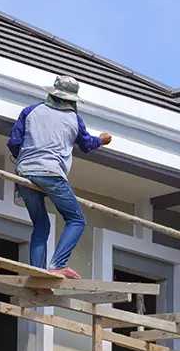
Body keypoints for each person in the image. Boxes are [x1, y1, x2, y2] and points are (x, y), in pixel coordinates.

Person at [7, 75, 112, 278]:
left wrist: (27, 161)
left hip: (25, 172)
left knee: (41, 224)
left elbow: (14, 143)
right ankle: (58, 264)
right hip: (51, 174)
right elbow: (87, 144)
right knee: (76, 220)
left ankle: (37, 272)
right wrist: (101, 140)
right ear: (72, 100)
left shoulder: (30, 111)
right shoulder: (74, 119)